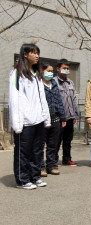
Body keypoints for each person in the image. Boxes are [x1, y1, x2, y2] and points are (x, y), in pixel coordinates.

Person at [9, 43, 50, 189]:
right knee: (23, 152)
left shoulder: (37, 74)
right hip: (25, 121)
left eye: (38, 53)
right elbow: (14, 99)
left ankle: (35, 176)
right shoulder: (17, 73)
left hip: (38, 119)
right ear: (25, 54)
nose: (37, 55)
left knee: (37, 150)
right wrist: (17, 123)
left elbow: (42, 98)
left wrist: (46, 118)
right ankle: (23, 179)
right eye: (33, 53)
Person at [40, 62, 66, 176]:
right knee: (40, 145)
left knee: (53, 144)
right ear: (41, 71)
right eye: (48, 71)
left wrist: (63, 117)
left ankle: (51, 165)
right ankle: (40, 167)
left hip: (55, 118)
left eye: (52, 71)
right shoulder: (38, 84)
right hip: (42, 119)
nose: (50, 73)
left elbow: (59, 101)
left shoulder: (54, 84)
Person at [54, 59, 79, 166]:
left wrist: (75, 114)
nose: (66, 70)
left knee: (68, 140)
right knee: (56, 140)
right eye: (64, 68)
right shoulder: (53, 81)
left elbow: (74, 99)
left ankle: (67, 159)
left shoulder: (70, 82)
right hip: (59, 117)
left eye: (68, 69)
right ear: (58, 68)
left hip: (70, 116)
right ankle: (53, 160)